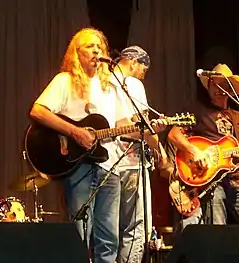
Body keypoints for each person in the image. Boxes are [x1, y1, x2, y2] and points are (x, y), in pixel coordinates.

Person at [29, 28, 166, 263]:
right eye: (89, 46)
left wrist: (150, 128)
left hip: (110, 167)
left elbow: (120, 124)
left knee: (108, 238)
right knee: (80, 234)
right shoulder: (66, 81)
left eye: (99, 47)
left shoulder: (110, 86)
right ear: (76, 53)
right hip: (79, 166)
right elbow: (38, 111)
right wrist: (75, 132)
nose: (96, 50)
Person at [167, 63, 239, 228]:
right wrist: (194, 151)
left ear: (231, 90)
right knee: (218, 228)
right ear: (208, 86)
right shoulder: (197, 110)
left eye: (223, 84)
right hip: (211, 180)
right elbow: (173, 134)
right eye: (214, 83)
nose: (217, 88)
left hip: (237, 177)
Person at [110, 45, 168, 263]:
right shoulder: (132, 83)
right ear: (133, 62)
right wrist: (158, 146)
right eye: (143, 70)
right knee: (136, 229)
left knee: (108, 230)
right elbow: (140, 124)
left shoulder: (103, 82)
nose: (143, 76)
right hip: (131, 161)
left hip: (107, 165)